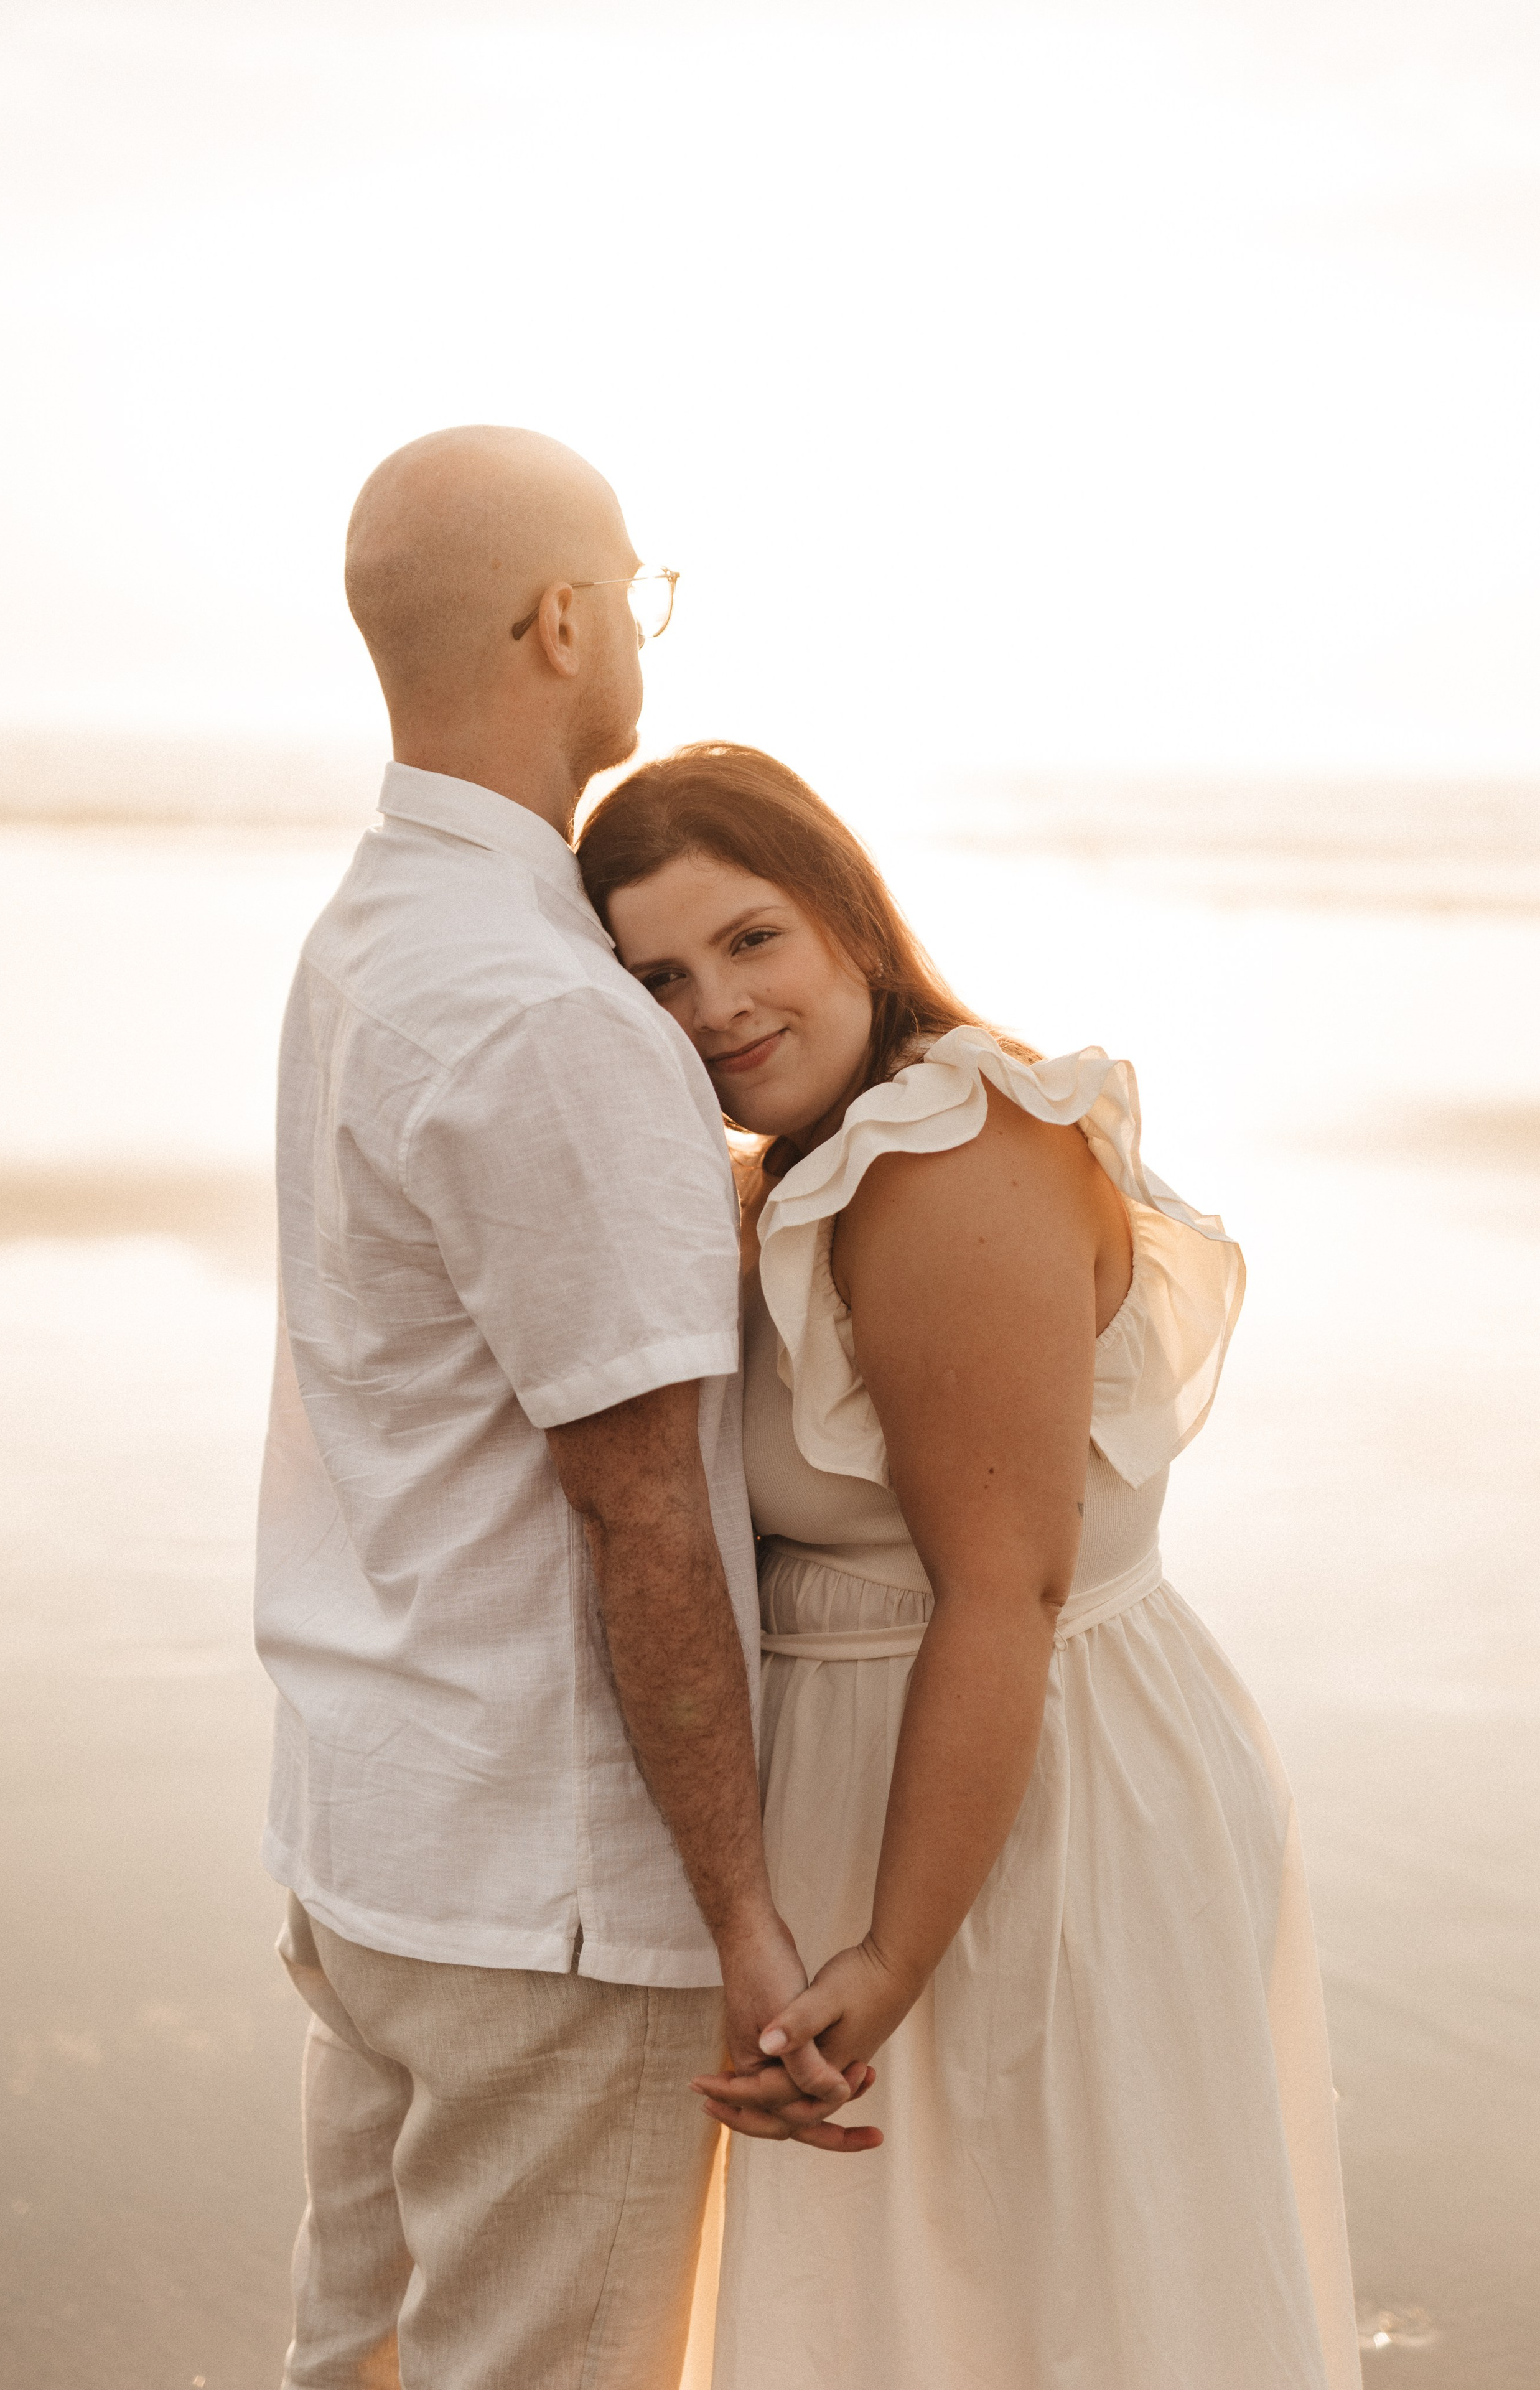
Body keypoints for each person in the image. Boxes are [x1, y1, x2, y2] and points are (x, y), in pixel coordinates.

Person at [576, 742, 1363, 2390]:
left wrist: (890, 1955)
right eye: (655, 975)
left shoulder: (949, 1149)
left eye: (749, 939)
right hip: (902, 1792)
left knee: (1052, 2303)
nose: (711, 1005)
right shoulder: (805, 1163)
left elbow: (1004, 1592)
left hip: (1020, 1811)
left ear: (853, 917)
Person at [254, 436, 847, 2390]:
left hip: (379, 1820)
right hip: (551, 1893)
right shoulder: (549, 1011)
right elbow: (643, 1508)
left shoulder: (373, 933)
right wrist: (745, 1915)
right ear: (567, 620)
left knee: (359, 2360)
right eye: (635, 596)